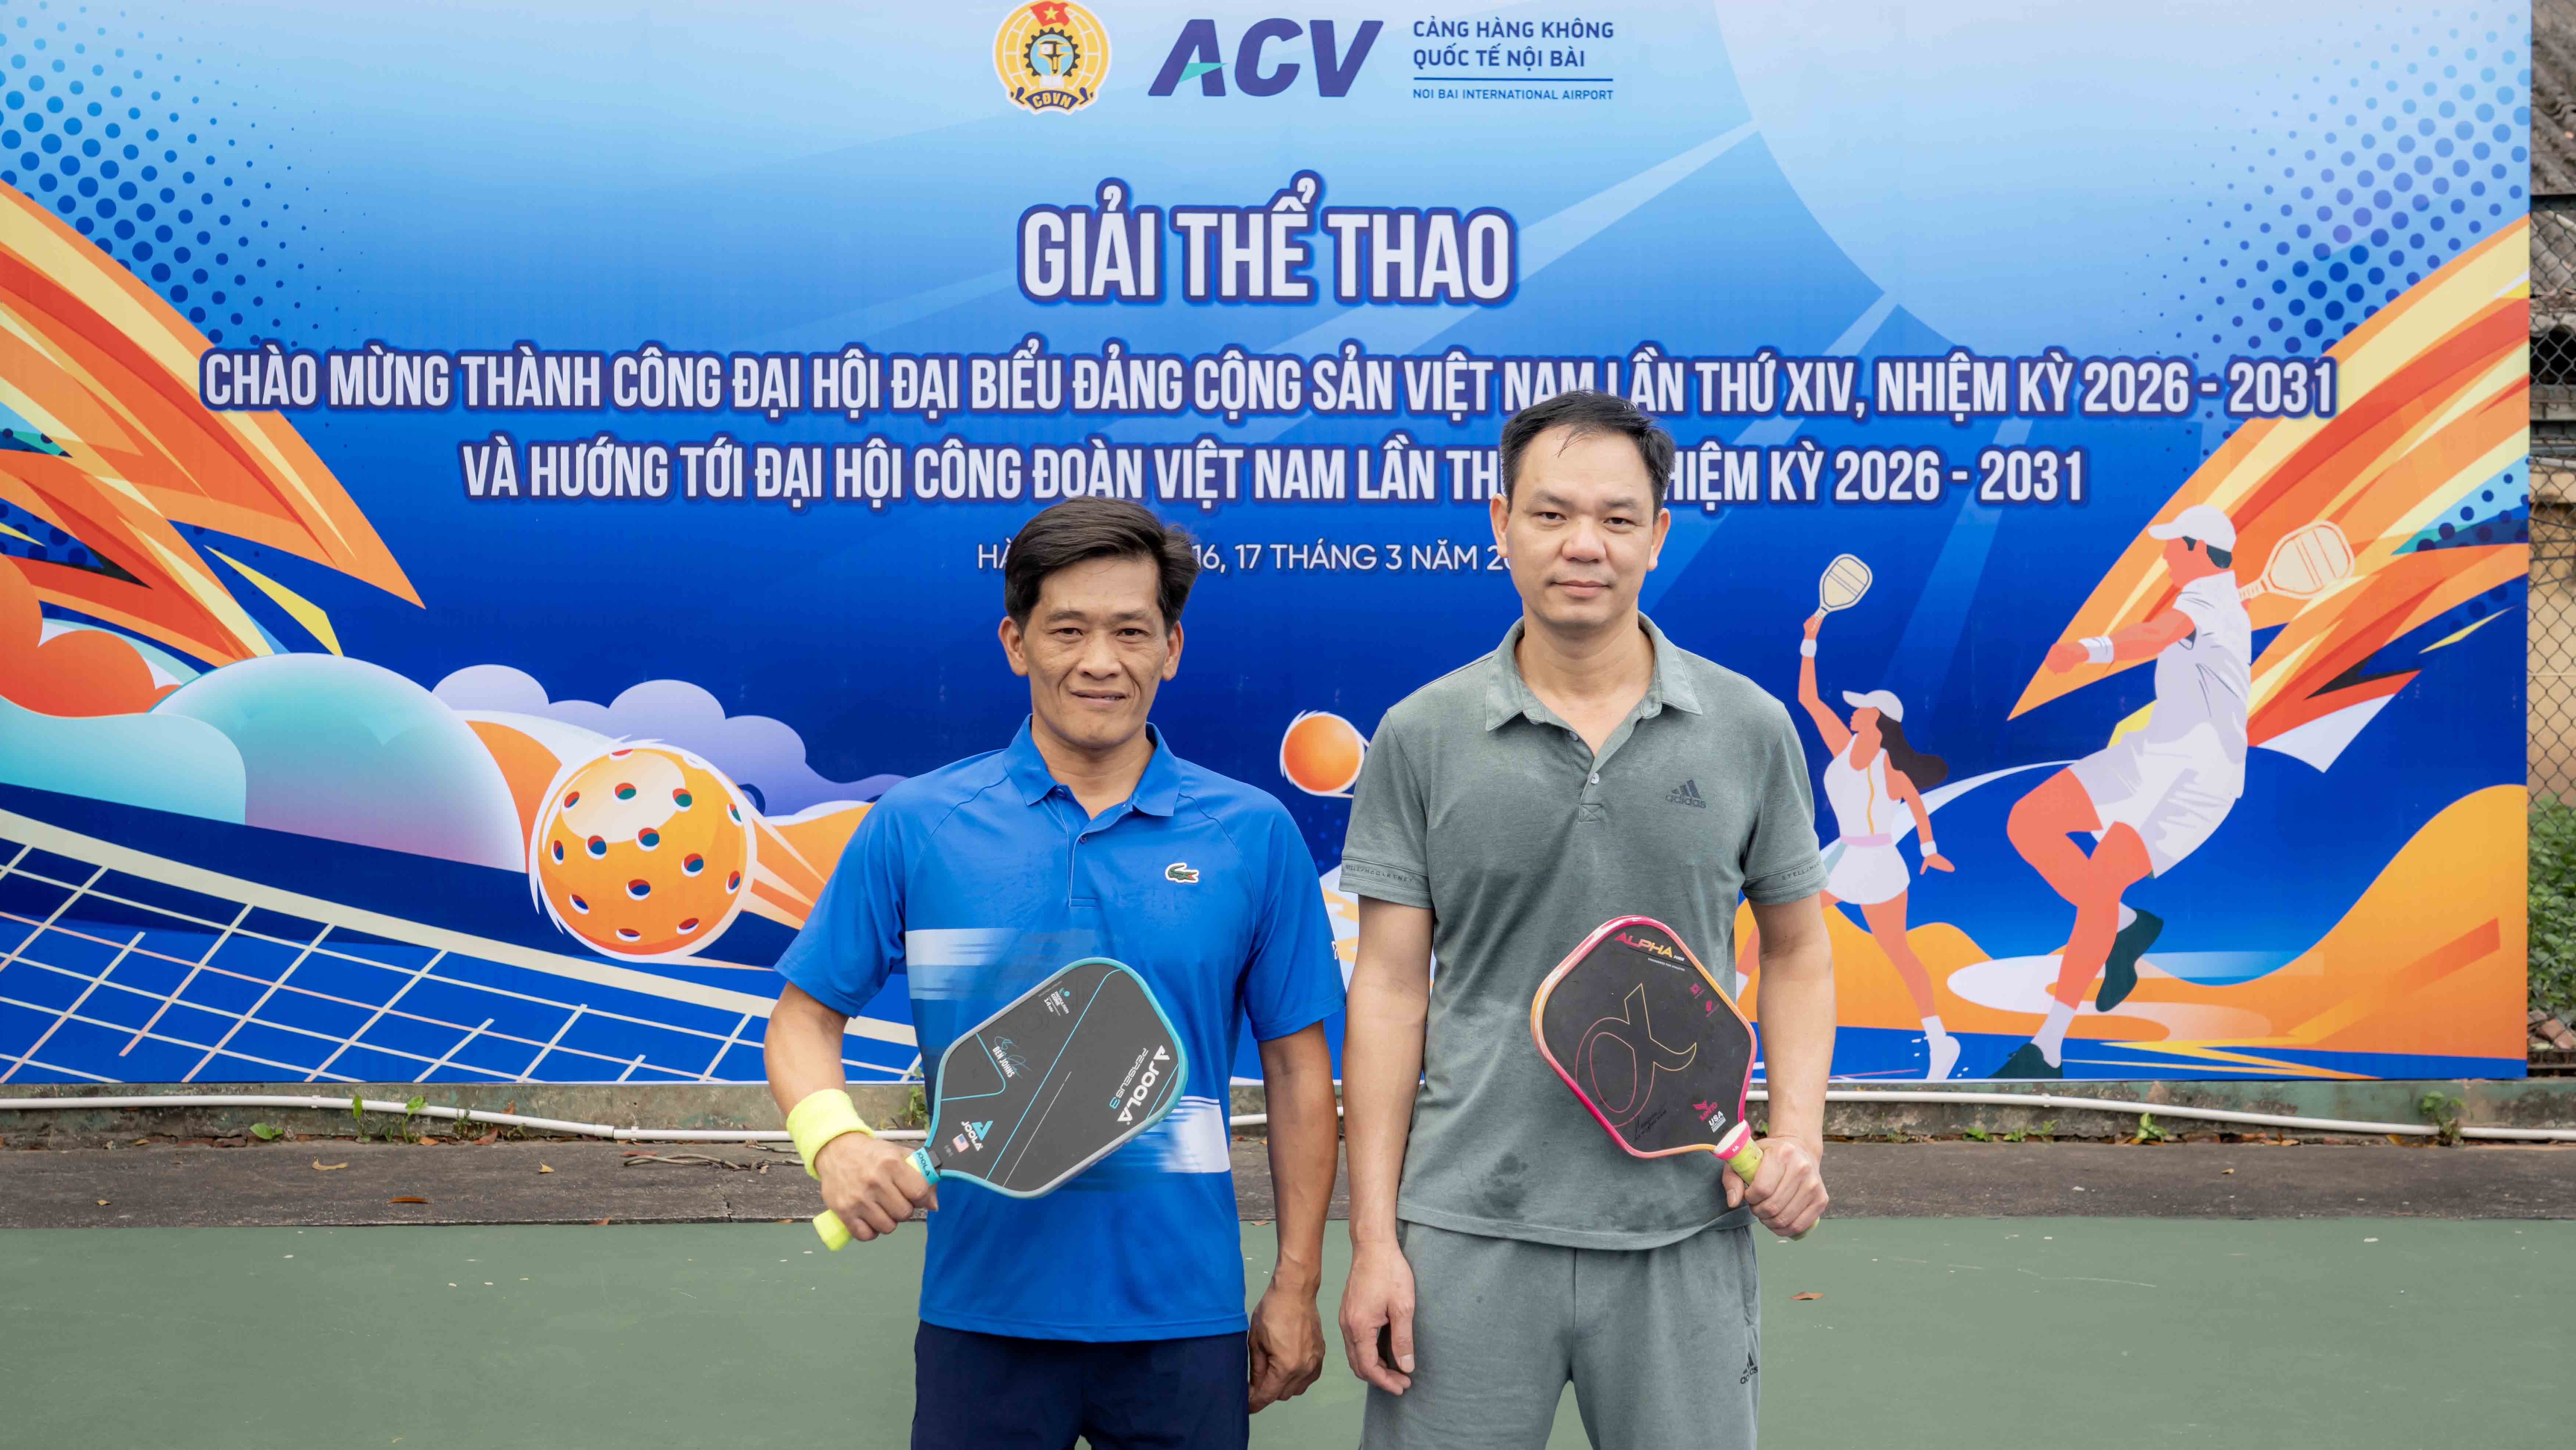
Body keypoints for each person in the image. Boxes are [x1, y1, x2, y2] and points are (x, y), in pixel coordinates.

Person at [763, 498, 1346, 1450]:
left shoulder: (1252, 835)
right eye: (1068, 630)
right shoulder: (919, 825)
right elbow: (802, 1021)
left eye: (1132, 631)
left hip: (1185, 1319)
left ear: (1172, 648)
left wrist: (1296, 1281)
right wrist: (835, 1142)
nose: (1100, 661)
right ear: (1016, 643)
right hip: (981, 1314)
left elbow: (1295, 1070)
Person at [1334, 389, 1836, 1450]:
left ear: (1658, 533)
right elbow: (1387, 989)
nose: (1584, 545)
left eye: (1617, 518)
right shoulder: (1420, 734)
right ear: (1500, 522)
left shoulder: (1750, 727)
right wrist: (1375, 1239)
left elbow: (1797, 951)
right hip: (1464, 1227)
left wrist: (1796, 1136)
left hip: (1683, 1226)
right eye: (1552, 513)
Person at [1996, 502, 2251, 1079]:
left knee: (2103, 879)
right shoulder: (2212, 601)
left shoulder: (2206, 604)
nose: (2165, 556)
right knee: (2029, 821)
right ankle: (2122, 925)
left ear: (2196, 549)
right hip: (2150, 755)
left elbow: (2154, 635)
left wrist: (2088, 651)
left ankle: (2048, 1048)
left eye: (2173, 545)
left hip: (2197, 777)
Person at [1737, 609, 1958, 1078]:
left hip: (1877, 864)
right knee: (1771, 929)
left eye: (1862, 707)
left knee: (1898, 952)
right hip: (1841, 859)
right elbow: (1808, 698)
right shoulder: (1844, 745)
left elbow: (1916, 803)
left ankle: (1942, 1041)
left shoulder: (1888, 766)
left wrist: (1929, 849)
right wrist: (1809, 642)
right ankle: (1731, 1021)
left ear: (1878, 720)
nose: (1853, 710)